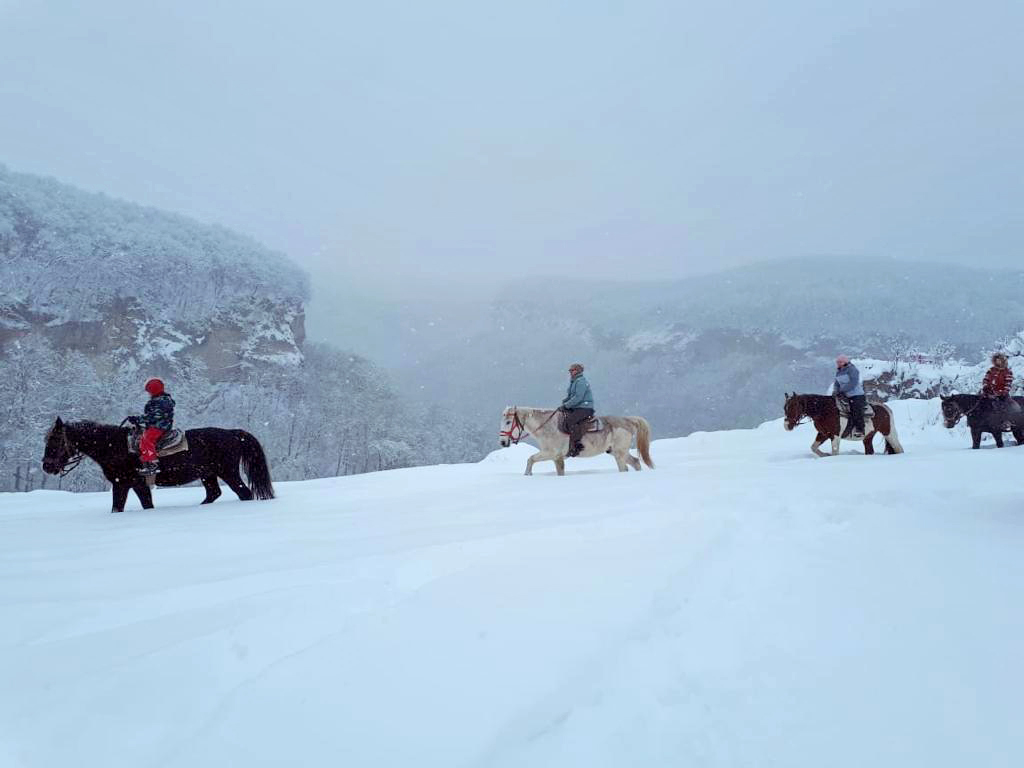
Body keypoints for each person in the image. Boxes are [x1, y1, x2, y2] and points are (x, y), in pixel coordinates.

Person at [137, 377, 175, 476]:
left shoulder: (161, 401)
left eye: (149, 391)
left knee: (146, 439)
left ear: (153, 390)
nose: (149, 394)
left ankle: (152, 463)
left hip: (160, 426)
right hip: (157, 425)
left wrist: (139, 419)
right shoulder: (161, 399)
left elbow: (154, 416)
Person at [560, 363, 594, 458]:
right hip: (577, 407)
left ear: (578, 371)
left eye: (572, 370)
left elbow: (578, 397)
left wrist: (566, 405)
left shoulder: (581, 382)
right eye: (570, 370)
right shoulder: (574, 381)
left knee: (570, 421)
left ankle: (576, 445)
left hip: (584, 408)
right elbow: (571, 397)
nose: (570, 372)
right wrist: (564, 403)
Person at [981, 352, 1020, 428]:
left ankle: (1005, 421)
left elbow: (1008, 384)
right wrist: (985, 387)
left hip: (1001, 395)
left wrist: (1001, 392)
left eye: (999, 360)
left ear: (1003, 361)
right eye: (996, 360)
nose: (997, 361)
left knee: (1002, 406)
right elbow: (986, 379)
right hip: (989, 393)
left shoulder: (1007, 372)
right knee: (978, 403)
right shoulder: (991, 370)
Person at [833, 354, 866, 438]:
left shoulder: (852, 369)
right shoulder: (839, 372)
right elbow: (836, 383)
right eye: (837, 362)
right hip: (844, 395)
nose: (838, 364)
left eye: (840, 362)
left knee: (856, 410)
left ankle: (860, 429)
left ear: (845, 362)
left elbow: (853, 382)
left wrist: (842, 390)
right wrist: (835, 391)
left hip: (856, 395)